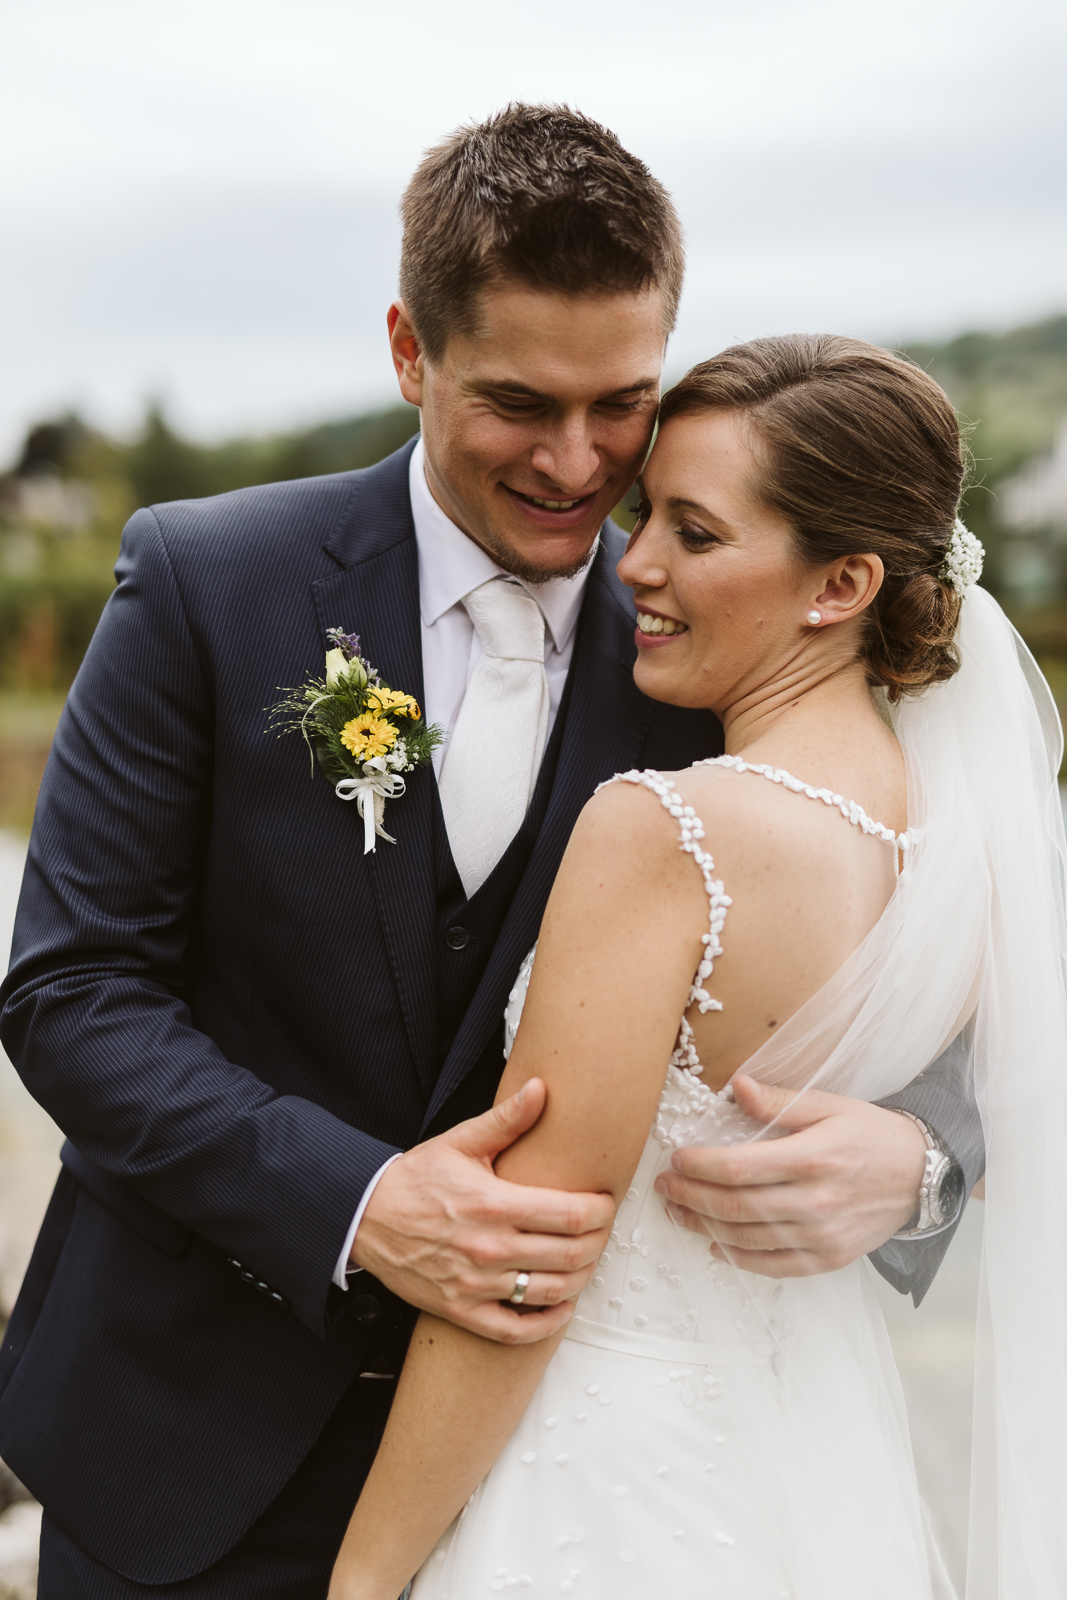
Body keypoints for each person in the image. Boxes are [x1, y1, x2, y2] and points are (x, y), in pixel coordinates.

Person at [0, 108, 974, 1599]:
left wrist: (917, 1161)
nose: (578, 465)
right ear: (409, 350)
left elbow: (925, 953)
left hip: (574, 1479)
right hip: (190, 1432)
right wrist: (358, 1202)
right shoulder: (209, 582)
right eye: (520, 402)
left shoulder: (729, 639)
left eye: (621, 404)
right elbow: (72, 990)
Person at [329, 335, 1067, 1600]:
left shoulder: (665, 829)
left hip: (604, 1479)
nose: (638, 564)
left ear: (838, 584)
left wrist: (362, 1579)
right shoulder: (958, 843)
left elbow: (529, 1262)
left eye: (695, 532)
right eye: (642, 513)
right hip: (813, 1482)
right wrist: (934, 1156)